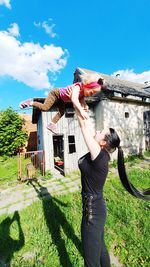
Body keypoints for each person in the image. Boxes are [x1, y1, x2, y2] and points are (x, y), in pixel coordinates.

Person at [74, 105, 150, 267]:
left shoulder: (100, 156)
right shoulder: (102, 155)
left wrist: (75, 99)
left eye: (101, 132)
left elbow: (82, 125)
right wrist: (81, 105)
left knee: (91, 261)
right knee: (100, 249)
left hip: (92, 215)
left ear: (103, 142)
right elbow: (86, 124)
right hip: (97, 210)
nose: (98, 130)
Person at [19, 73, 105, 134]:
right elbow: (75, 99)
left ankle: (51, 124)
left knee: (62, 112)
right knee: (45, 107)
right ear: (88, 86)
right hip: (56, 93)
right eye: (91, 92)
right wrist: (81, 111)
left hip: (61, 99)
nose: (91, 95)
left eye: (93, 94)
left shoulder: (82, 93)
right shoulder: (77, 87)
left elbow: (81, 100)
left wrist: (85, 106)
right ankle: (30, 102)